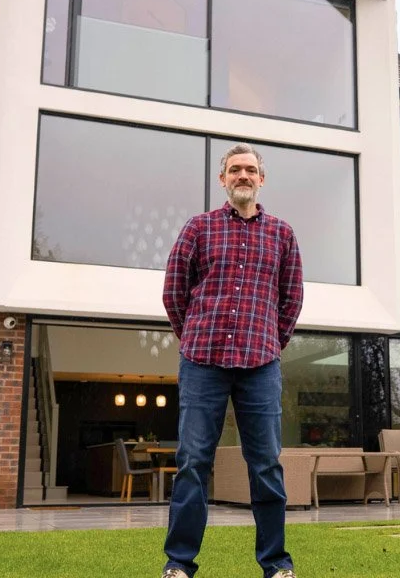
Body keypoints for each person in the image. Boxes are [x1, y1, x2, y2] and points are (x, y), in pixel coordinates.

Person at [161, 143, 304, 578]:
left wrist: (271, 341)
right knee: (192, 463)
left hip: (260, 364)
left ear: (262, 180)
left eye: (250, 170)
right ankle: (179, 564)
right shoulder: (198, 228)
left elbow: (291, 297)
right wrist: (194, 337)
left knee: (266, 465)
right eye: (234, 170)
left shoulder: (282, 234)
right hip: (203, 361)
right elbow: (174, 292)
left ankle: (276, 564)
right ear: (222, 179)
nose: (243, 176)